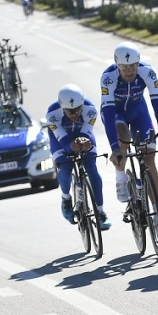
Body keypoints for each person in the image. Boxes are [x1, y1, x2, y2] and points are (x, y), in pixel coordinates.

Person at [100, 42, 158, 238]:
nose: (129, 71)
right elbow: (108, 114)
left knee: (150, 161)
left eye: (133, 66)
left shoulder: (148, 73)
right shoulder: (108, 78)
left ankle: (157, 215)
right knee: (124, 137)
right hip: (115, 115)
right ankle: (120, 175)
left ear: (138, 63)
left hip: (138, 113)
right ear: (117, 65)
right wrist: (114, 148)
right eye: (124, 68)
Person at [46, 84, 111, 230]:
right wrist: (71, 147)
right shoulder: (52, 114)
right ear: (62, 108)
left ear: (82, 104)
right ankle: (66, 198)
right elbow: (63, 141)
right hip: (61, 139)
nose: (75, 114)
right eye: (70, 111)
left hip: (82, 133)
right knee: (66, 167)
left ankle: (101, 212)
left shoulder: (90, 110)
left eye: (77, 109)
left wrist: (84, 141)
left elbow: (87, 131)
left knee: (92, 169)